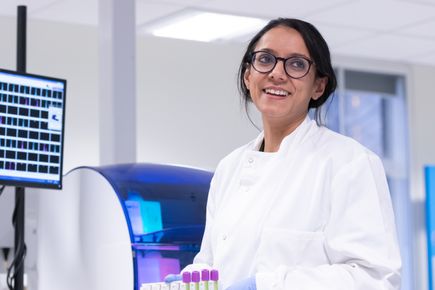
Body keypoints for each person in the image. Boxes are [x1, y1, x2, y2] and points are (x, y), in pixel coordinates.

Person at [168, 17, 401, 290]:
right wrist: (193, 280)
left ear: (318, 86)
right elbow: (212, 261)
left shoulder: (348, 162)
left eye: (297, 64)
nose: (277, 73)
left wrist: (267, 285)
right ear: (248, 75)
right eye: (265, 59)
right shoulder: (229, 168)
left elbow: (374, 279)